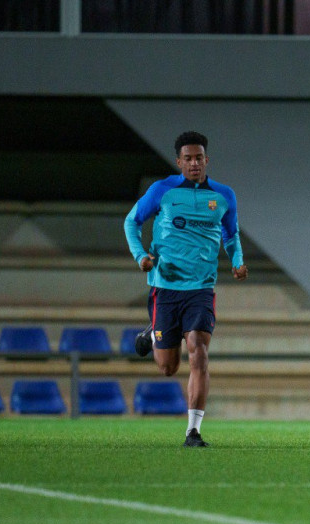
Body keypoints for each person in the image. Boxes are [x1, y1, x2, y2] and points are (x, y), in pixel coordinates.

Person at [125, 131, 247, 447]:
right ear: (179, 162)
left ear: (207, 160)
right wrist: (141, 256)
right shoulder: (162, 191)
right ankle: (152, 333)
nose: (194, 163)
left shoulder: (223, 196)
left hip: (201, 289)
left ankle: (193, 430)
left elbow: (230, 235)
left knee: (199, 351)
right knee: (168, 367)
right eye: (188, 158)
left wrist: (237, 260)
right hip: (165, 287)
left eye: (199, 157)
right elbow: (131, 222)